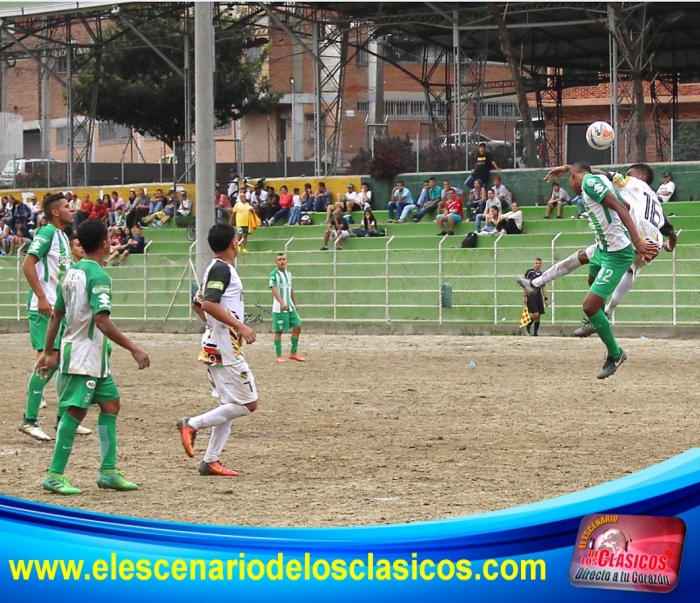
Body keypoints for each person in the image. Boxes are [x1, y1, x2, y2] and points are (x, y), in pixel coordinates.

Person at [37, 218, 150, 494]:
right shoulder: (99, 276)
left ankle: (108, 472)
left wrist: (51, 351)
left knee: (111, 405)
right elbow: (102, 321)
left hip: (91, 356)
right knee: (75, 412)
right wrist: (134, 348)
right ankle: (54, 474)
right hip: (83, 356)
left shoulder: (71, 272)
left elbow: (56, 315)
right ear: (104, 243)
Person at [518, 162, 658, 379]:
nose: (570, 186)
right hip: (604, 246)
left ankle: (615, 353)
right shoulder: (596, 179)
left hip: (616, 253)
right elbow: (625, 206)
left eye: (569, 178)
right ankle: (536, 284)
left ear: (574, 176)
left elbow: (622, 208)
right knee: (582, 261)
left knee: (589, 305)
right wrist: (565, 167)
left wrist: (637, 241)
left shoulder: (590, 183)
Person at [177, 223, 258, 477]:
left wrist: (214, 327)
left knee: (229, 404)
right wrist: (238, 326)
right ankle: (191, 424)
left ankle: (211, 460)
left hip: (216, 345)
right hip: (226, 350)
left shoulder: (215, 268)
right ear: (233, 243)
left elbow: (197, 303)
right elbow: (209, 304)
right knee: (249, 404)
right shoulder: (223, 269)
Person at [18, 193, 88, 442]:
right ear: (56, 212)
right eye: (67, 207)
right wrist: (41, 297)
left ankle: (62, 420)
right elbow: (27, 264)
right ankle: (29, 420)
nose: (72, 210)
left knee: (61, 362)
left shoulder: (61, 237)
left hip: (58, 311)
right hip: (43, 309)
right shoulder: (47, 233)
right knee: (48, 361)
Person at [269, 253, 304, 364]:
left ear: (287, 261)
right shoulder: (274, 274)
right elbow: (274, 289)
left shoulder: (289, 274)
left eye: (284, 259)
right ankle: (279, 355)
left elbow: (291, 289)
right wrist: (281, 302)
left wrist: (295, 303)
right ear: (276, 262)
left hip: (290, 307)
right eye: (279, 259)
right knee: (279, 331)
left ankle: (293, 353)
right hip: (279, 308)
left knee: (297, 326)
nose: (282, 261)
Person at [521, 258, 549, 336]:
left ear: (541, 264)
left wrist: (546, 298)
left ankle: (535, 333)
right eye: (536, 263)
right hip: (531, 295)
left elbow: (543, 287)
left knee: (539, 315)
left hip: (538, 295)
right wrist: (524, 295)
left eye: (539, 263)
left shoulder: (542, 275)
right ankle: (528, 325)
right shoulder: (529, 272)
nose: (538, 265)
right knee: (535, 314)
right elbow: (524, 284)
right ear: (534, 264)